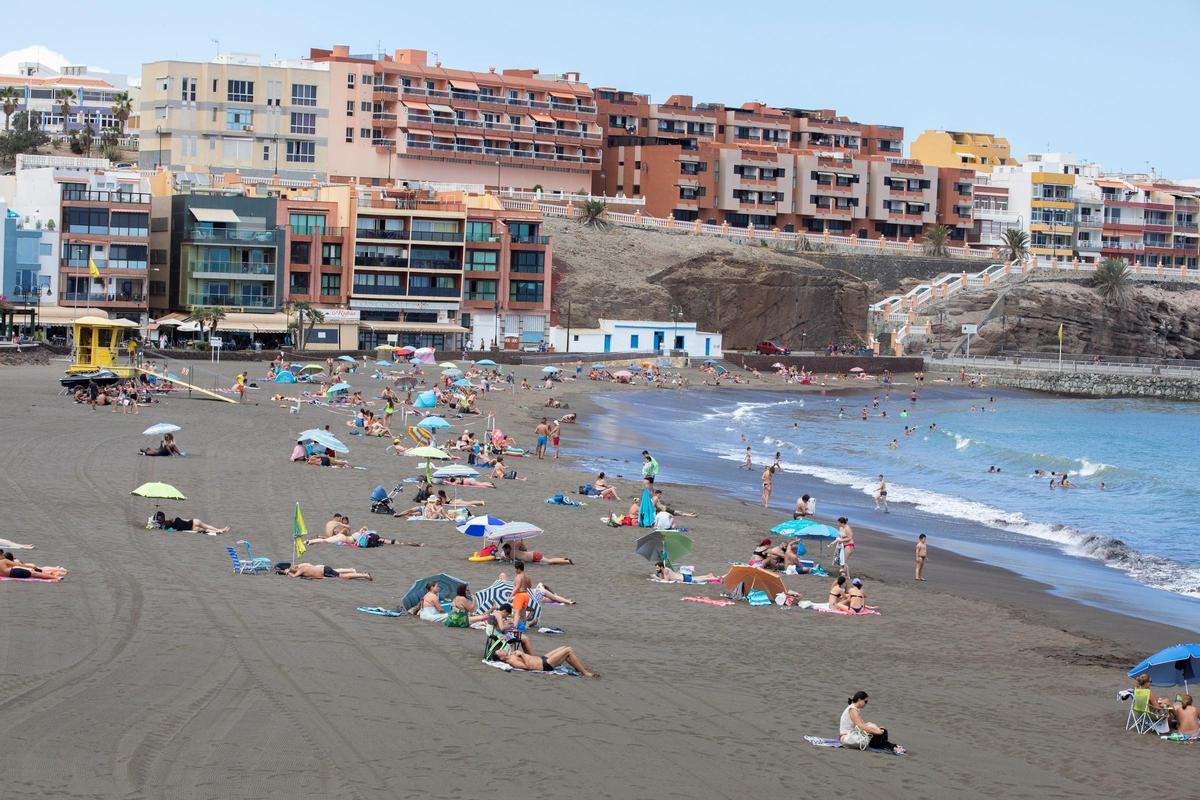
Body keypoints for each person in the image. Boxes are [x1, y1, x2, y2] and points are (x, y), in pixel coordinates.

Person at [839, 691, 905, 754]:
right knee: (880, 734)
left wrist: (877, 729)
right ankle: (893, 747)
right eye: (865, 701)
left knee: (881, 731)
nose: (866, 703)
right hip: (847, 738)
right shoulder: (852, 710)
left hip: (852, 736)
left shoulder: (854, 709)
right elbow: (861, 726)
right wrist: (877, 731)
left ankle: (892, 747)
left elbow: (863, 724)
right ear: (859, 699)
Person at [490, 644, 599, 677]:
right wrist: (522, 654)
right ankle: (585, 672)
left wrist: (518, 653)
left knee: (564, 647)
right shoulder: (511, 662)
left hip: (542, 659)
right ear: (501, 658)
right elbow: (528, 667)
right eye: (500, 651)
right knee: (568, 650)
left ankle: (578, 668)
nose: (502, 650)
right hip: (544, 665)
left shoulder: (511, 655)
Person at [152, 510, 229, 535]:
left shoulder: (165, 526)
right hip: (193, 522)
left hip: (192, 528)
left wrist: (155, 524)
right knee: (207, 527)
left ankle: (219, 531)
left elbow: (167, 529)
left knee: (206, 529)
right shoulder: (169, 521)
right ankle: (220, 530)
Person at [1, 552, 68, 580]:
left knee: (35, 574)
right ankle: (56, 577)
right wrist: (32, 567)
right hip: (15, 572)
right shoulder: (4, 561)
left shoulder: (4, 561)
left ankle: (55, 576)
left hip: (12, 575)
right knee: (35, 574)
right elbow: (19, 565)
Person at [501, 542, 574, 566]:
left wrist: (505, 558)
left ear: (508, 549)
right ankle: (563, 559)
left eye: (504, 550)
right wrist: (524, 548)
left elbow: (511, 560)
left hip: (534, 556)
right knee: (550, 560)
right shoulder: (514, 549)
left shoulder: (512, 553)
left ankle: (567, 561)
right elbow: (520, 543)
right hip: (533, 554)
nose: (504, 552)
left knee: (549, 561)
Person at [278, 563, 372, 580]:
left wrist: (287, 572)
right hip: (325, 569)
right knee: (342, 576)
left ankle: (365, 575)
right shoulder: (302, 567)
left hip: (325, 571)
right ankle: (362, 575)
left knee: (343, 577)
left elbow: (294, 576)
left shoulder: (301, 570)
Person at [654, 562, 720, 583]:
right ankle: (708, 575)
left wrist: (656, 578)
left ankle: (715, 578)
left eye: (657, 568)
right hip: (683, 576)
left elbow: (666, 581)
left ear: (661, 567)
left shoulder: (666, 571)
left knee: (698, 580)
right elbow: (664, 579)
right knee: (696, 578)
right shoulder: (663, 571)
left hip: (684, 578)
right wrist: (660, 575)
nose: (656, 569)